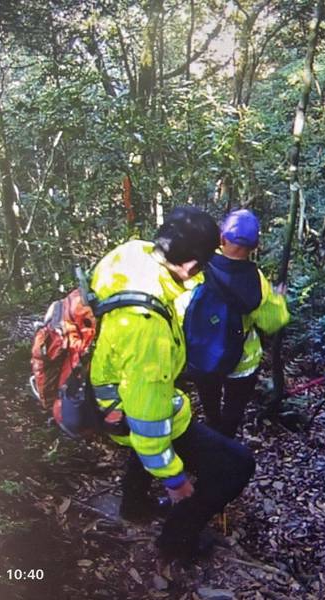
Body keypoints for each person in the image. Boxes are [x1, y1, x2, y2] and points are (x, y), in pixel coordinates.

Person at [88, 205, 256, 563]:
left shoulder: (133, 255)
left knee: (148, 408)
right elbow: (148, 424)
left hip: (115, 388)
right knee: (237, 464)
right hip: (131, 407)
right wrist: (176, 481)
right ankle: (176, 543)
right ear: (192, 264)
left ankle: (134, 506)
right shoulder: (148, 331)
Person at [184, 208, 290, 438]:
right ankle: (227, 440)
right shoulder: (257, 281)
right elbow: (274, 322)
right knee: (233, 408)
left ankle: (212, 426)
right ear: (254, 247)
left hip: (202, 356)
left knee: (210, 401)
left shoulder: (198, 269)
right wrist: (278, 299)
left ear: (221, 238)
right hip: (242, 361)